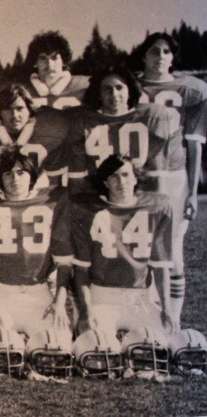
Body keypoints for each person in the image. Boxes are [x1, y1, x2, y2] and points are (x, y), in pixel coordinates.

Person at [134, 32, 207, 322]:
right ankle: (149, 318)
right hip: (138, 176)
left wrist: (192, 191)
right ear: (144, 55)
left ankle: (173, 320)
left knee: (172, 248)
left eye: (166, 51)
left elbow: (194, 142)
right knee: (139, 249)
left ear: (173, 57)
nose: (160, 56)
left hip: (173, 176)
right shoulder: (129, 86)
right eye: (154, 50)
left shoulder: (192, 90)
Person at [0, 149, 72, 338]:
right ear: (0, 179)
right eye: (8, 173)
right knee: (0, 350)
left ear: (32, 176)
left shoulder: (51, 202)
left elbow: (64, 263)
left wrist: (59, 303)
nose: (15, 178)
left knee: (56, 349)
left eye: (21, 172)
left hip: (39, 292)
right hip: (0, 293)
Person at [67, 154, 176, 336]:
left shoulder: (155, 208)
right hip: (102, 296)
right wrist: (86, 311)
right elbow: (81, 271)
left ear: (135, 178)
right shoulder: (89, 212)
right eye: (113, 176)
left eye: (126, 175)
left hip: (140, 297)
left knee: (156, 349)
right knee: (100, 351)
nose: (121, 181)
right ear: (105, 183)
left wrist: (167, 308)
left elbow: (160, 267)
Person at [67, 66, 184, 197]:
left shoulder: (150, 118)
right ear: (98, 93)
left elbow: (156, 173)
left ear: (130, 90)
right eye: (107, 89)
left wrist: (155, 205)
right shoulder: (83, 120)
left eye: (119, 87)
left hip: (138, 197)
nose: (114, 94)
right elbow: (77, 177)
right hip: (97, 198)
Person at [0, 84, 72, 195]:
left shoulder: (51, 128)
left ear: (30, 110)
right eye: (8, 109)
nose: (15, 115)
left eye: (20, 108)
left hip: (38, 183)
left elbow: (56, 181)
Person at [20, 31, 89, 110]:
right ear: (35, 63)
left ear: (63, 61)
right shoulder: (23, 91)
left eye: (54, 58)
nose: (49, 64)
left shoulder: (85, 84)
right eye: (43, 58)